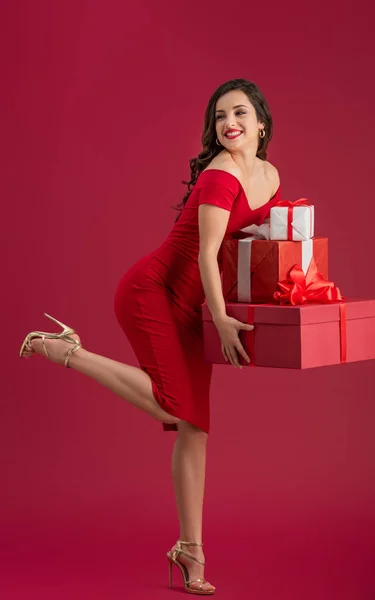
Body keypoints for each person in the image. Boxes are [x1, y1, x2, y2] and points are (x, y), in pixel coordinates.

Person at [19, 78, 281, 595]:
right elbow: (208, 255)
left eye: (240, 113)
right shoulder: (221, 175)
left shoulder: (270, 176)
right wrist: (224, 318)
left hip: (192, 307)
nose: (228, 123)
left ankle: (190, 553)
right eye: (220, 116)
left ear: (261, 123)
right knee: (172, 408)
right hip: (152, 293)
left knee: (196, 430)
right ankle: (67, 351)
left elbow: (251, 244)